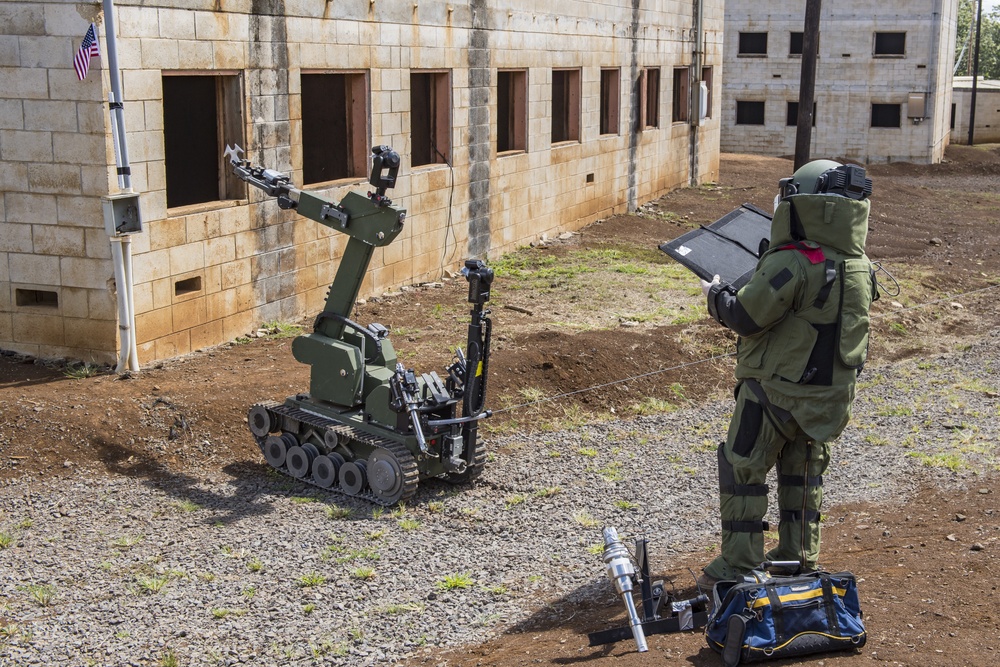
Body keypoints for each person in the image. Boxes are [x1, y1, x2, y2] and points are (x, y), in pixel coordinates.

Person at [697, 159, 878, 586]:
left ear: (804, 203)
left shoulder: (794, 262)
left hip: (772, 393)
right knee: (804, 474)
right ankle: (799, 558)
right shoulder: (860, 265)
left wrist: (715, 296)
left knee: (744, 470)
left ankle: (738, 568)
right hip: (827, 398)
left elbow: (746, 316)